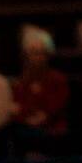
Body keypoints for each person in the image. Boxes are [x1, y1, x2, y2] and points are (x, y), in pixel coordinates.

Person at [12, 25, 69, 154]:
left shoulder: (58, 80)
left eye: (41, 53)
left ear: (48, 55)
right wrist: (27, 116)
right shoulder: (21, 81)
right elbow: (16, 109)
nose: (37, 58)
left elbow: (55, 108)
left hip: (52, 131)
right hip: (25, 130)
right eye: (33, 53)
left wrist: (42, 116)